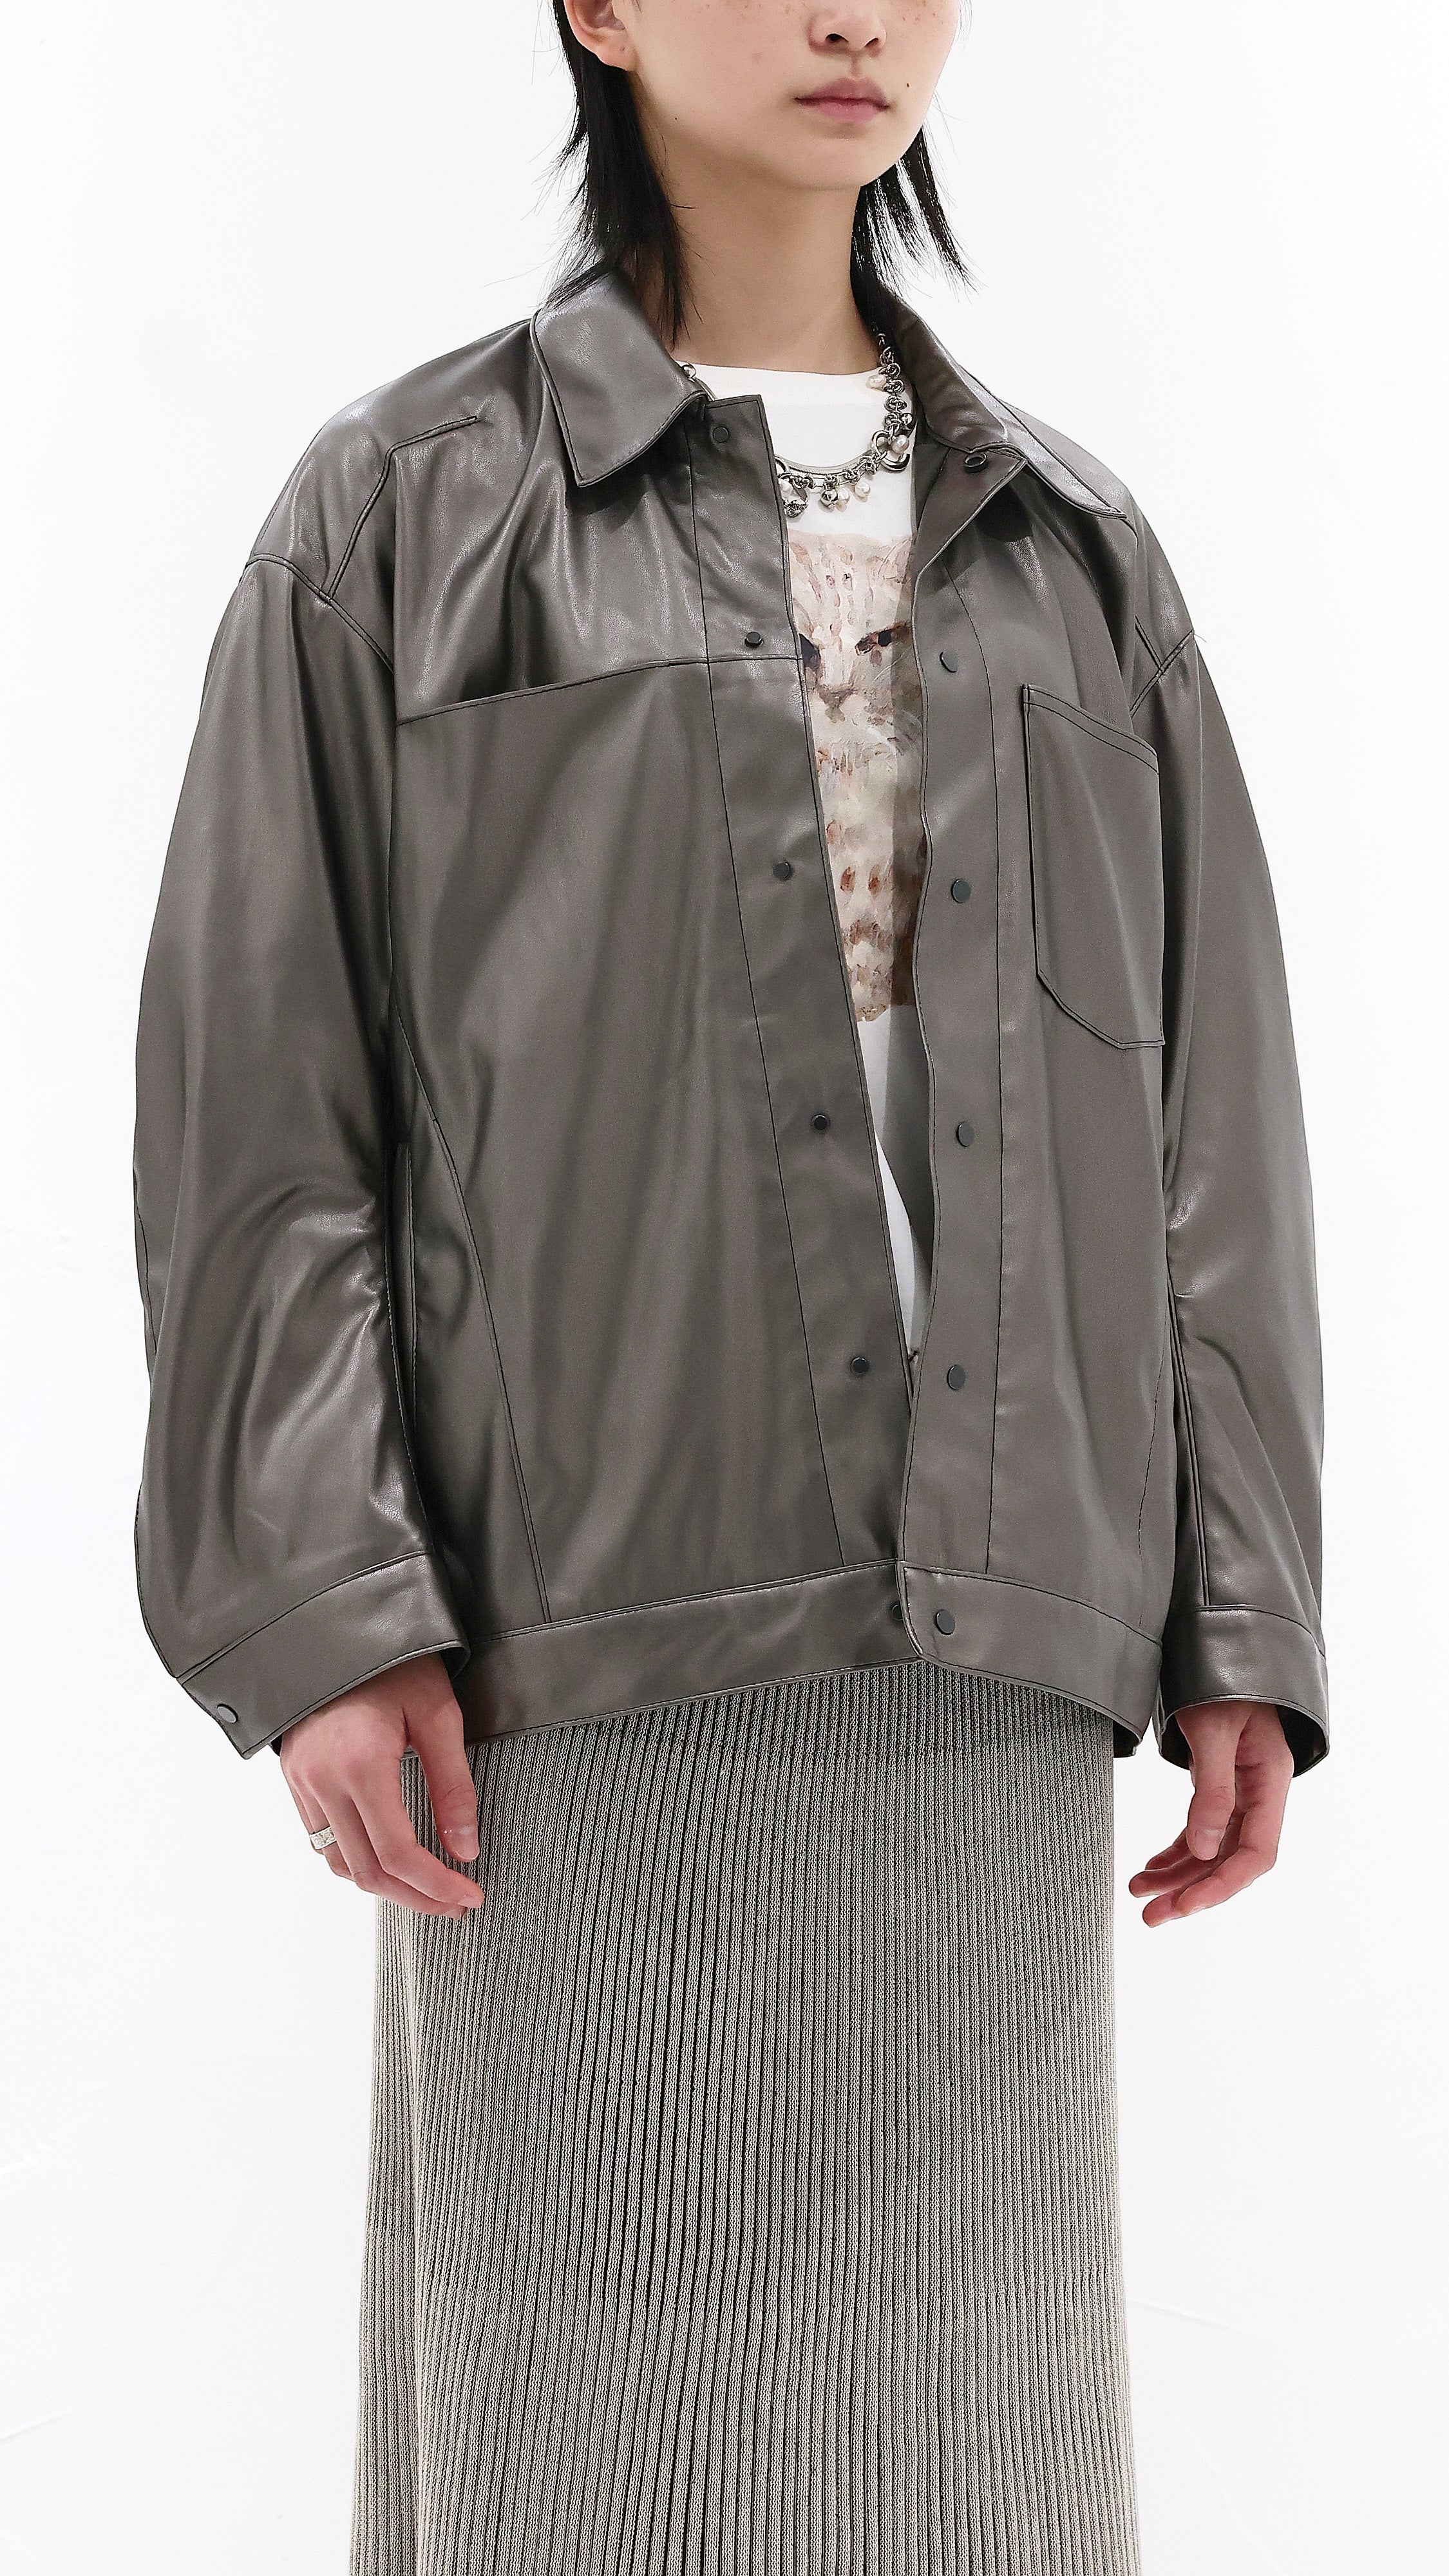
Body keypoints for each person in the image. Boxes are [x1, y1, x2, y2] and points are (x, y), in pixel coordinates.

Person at [130, 4, 1328, 2568]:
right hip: (579, 1629)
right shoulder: (403, 514)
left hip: (997, 1634)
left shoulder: (1074, 550)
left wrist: (1239, 1605)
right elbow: (265, 1101)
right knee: (589, 2429)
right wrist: (326, 1603)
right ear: (592, 3)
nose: (848, 14)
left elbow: (1205, 1123)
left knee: (975, 2443)